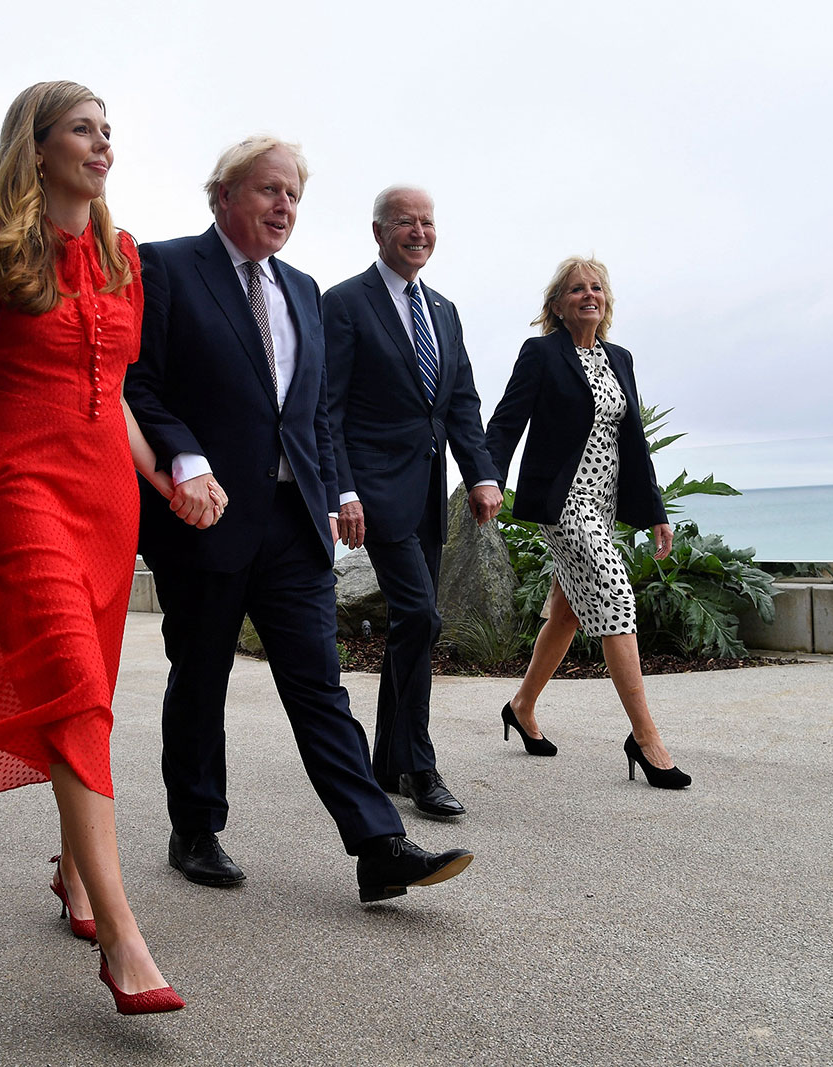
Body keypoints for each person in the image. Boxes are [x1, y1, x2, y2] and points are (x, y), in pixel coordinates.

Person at [124, 137, 475, 902]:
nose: (283, 207)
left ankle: (378, 843)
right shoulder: (168, 266)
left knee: (319, 684)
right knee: (201, 676)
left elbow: (315, 412)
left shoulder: (303, 288)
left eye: (293, 196)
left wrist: (333, 492)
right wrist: (185, 460)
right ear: (223, 196)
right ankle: (196, 827)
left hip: (292, 525)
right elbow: (138, 385)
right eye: (268, 191)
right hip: (204, 517)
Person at [0, 81, 206, 1015]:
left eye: (108, 132)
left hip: (105, 497)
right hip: (20, 484)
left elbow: (117, 392)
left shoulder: (122, 255)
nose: (103, 147)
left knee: (81, 684)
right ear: (37, 147)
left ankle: (74, 873)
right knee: (75, 685)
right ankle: (126, 937)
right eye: (84, 131)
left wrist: (161, 477)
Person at [322, 185, 503, 820]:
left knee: (412, 624)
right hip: (373, 493)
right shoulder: (343, 303)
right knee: (422, 616)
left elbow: (461, 403)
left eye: (427, 221)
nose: (419, 231)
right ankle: (420, 767)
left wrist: (481, 474)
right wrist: (341, 490)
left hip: (427, 494)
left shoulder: (445, 311)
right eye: (406, 222)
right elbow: (329, 409)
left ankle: (387, 761)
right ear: (378, 231)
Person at [483, 256, 691, 789]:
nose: (589, 295)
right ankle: (645, 738)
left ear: (607, 300)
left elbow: (634, 441)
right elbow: (507, 421)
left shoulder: (619, 358)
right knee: (616, 596)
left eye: (596, 287)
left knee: (568, 612)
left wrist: (656, 513)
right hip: (564, 502)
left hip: (603, 504)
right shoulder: (542, 353)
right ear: (557, 304)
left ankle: (522, 704)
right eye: (577, 289)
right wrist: (486, 480)